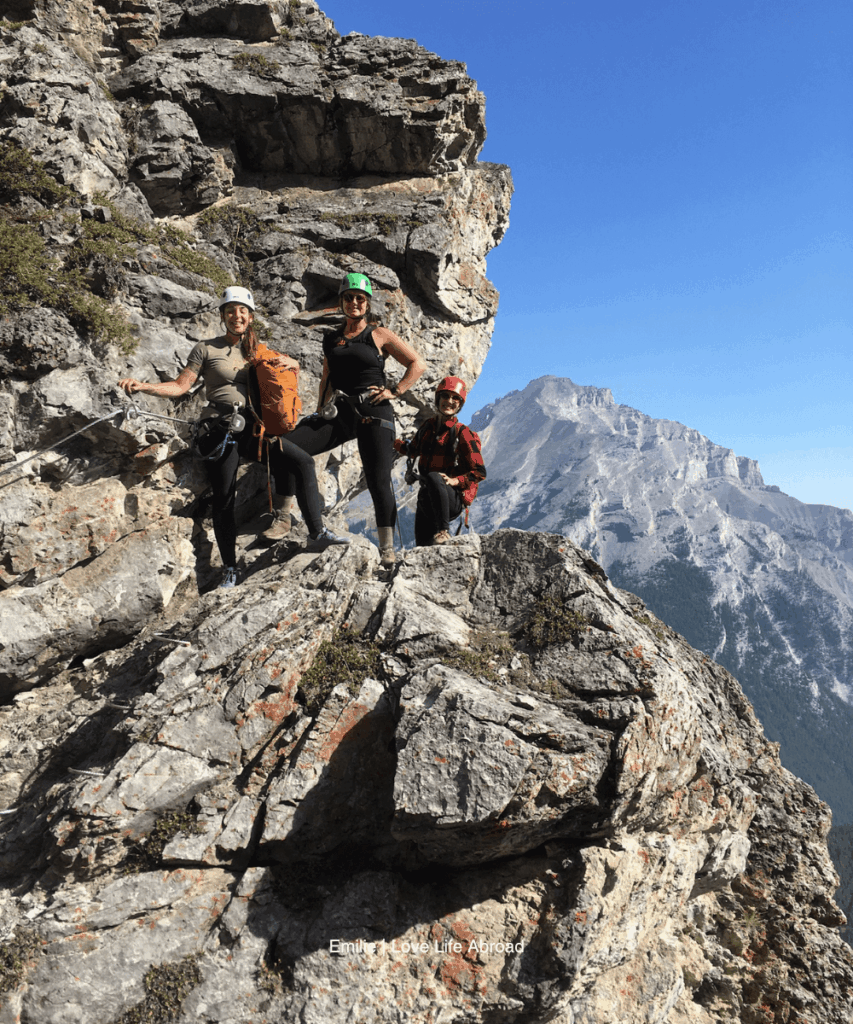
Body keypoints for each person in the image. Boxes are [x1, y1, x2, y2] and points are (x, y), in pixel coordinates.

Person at [118, 286, 348, 588]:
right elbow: (181, 386)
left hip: (254, 429)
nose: (236, 316)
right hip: (220, 428)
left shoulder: (258, 351)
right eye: (231, 311)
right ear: (223, 316)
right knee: (224, 498)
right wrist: (144, 387)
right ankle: (229, 569)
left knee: (301, 461)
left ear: (250, 317)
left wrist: (295, 364)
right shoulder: (206, 349)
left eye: (242, 312)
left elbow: (283, 374)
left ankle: (316, 531)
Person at [278, 272, 426, 567]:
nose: (354, 303)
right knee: (285, 445)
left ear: (368, 303)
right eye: (349, 298)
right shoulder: (331, 338)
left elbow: (417, 364)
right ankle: (282, 515)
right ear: (341, 302)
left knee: (378, 479)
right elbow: (326, 378)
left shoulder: (379, 334)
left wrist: (394, 391)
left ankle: (387, 550)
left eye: (360, 298)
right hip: (342, 411)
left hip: (375, 411)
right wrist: (320, 408)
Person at [394, 376, 486, 547]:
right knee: (422, 547)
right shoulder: (427, 427)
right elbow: (412, 449)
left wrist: (455, 480)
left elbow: (479, 471)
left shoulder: (462, 433)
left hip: (451, 499)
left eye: (455, 398)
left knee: (435, 477)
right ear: (438, 399)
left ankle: (444, 531)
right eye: (445, 396)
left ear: (460, 404)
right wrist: (392, 441)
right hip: (428, 498)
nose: (449, 402)